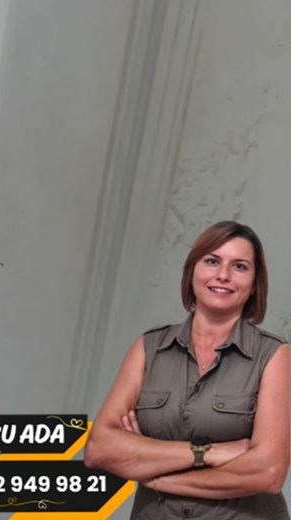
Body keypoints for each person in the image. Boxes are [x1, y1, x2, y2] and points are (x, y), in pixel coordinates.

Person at [86, 220, 290, 518]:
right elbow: (100, 448)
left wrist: (157, 476)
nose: (223, 275)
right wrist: (208, 453)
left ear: (254, 285)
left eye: (240, 266)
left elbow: (267, 472)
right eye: (212, 261)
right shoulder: (148, 348)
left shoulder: (273, 355)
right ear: (192, 271)